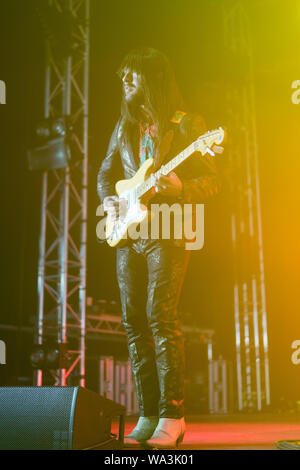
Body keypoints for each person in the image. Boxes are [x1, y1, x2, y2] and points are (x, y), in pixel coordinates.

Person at [97, 47, 222, 449]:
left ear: (153, 78)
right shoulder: (124, 125)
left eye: (132, 76)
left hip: (168, 232)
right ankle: (148, 414)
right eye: (123, 77)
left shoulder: (186, 125)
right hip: (129, 233)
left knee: (160, 317)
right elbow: (105, 173)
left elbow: (217, 182)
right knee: (133, 322)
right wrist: (110, 201)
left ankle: (173, 415)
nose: (125, 82)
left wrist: (183, 187)